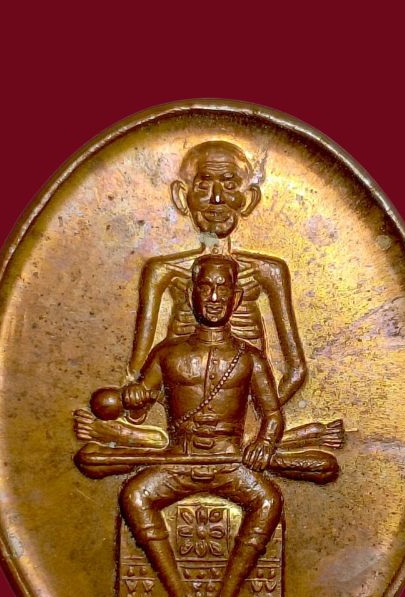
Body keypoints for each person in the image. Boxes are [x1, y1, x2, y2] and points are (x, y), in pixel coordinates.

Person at [118, 254, 285, 597]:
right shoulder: (167, 353)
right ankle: (180, 596)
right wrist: (134, 397)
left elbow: (273, 415)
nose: (213, 297)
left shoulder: (249, 358)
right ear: (191, 293)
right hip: (179, 462)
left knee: (269, 500)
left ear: (236, 297)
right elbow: (138, 410)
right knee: (134, 495)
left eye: (222, 288)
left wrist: (264, 443)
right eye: (205, 286)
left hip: (229, 463)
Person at [129, 140, 307, 406]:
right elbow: (137, 370)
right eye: (203, 186)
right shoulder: (163, 271)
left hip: (245, 412)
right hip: (180, 411)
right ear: (181, 196)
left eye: (229, 185)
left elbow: (296, 370)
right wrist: (177, 412)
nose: (216, 199)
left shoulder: (268, 271)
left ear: (249, 199)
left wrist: (261, 414)